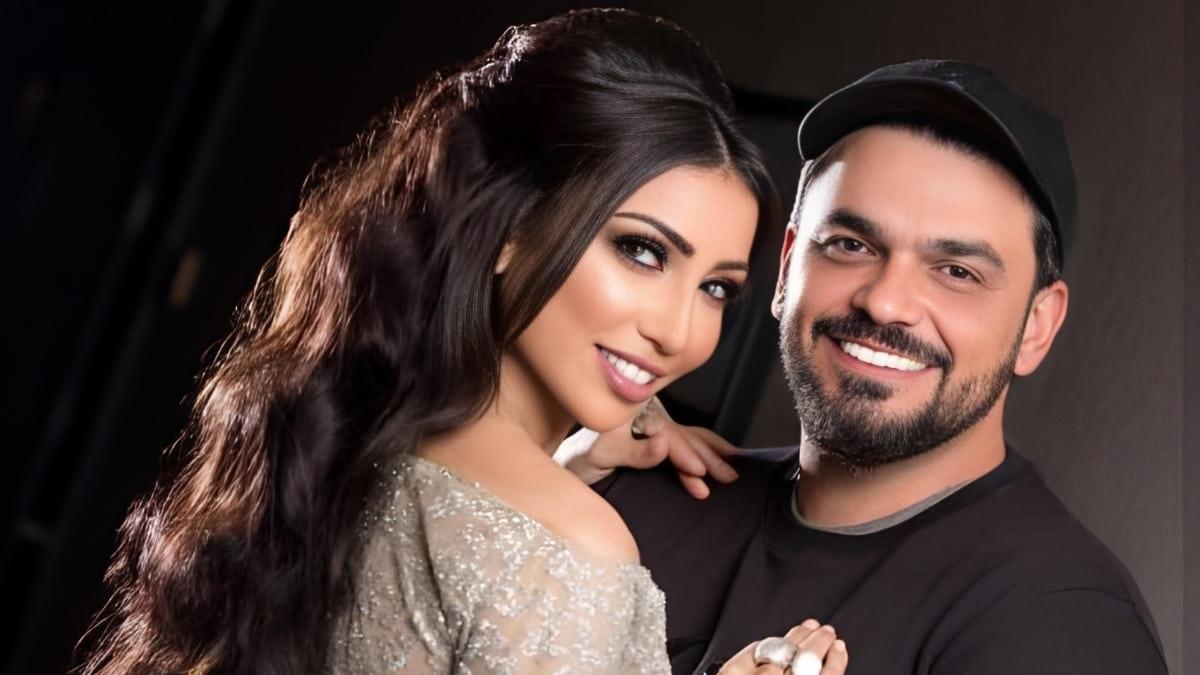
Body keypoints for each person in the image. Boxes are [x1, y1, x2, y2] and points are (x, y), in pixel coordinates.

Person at [77, 9, 850, 675]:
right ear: (512, 228)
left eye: (716, 288)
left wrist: (563, 462)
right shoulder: (570, 553)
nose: (677, 333)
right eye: (641, 251)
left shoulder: (359, 437)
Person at [563, 60, 1168, 674]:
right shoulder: (629, 494)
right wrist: (553, 478)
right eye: (850, 245)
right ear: (788, 268)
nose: (884, 302)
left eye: (957, 272)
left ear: (1036, 327)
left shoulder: (1064, 625)